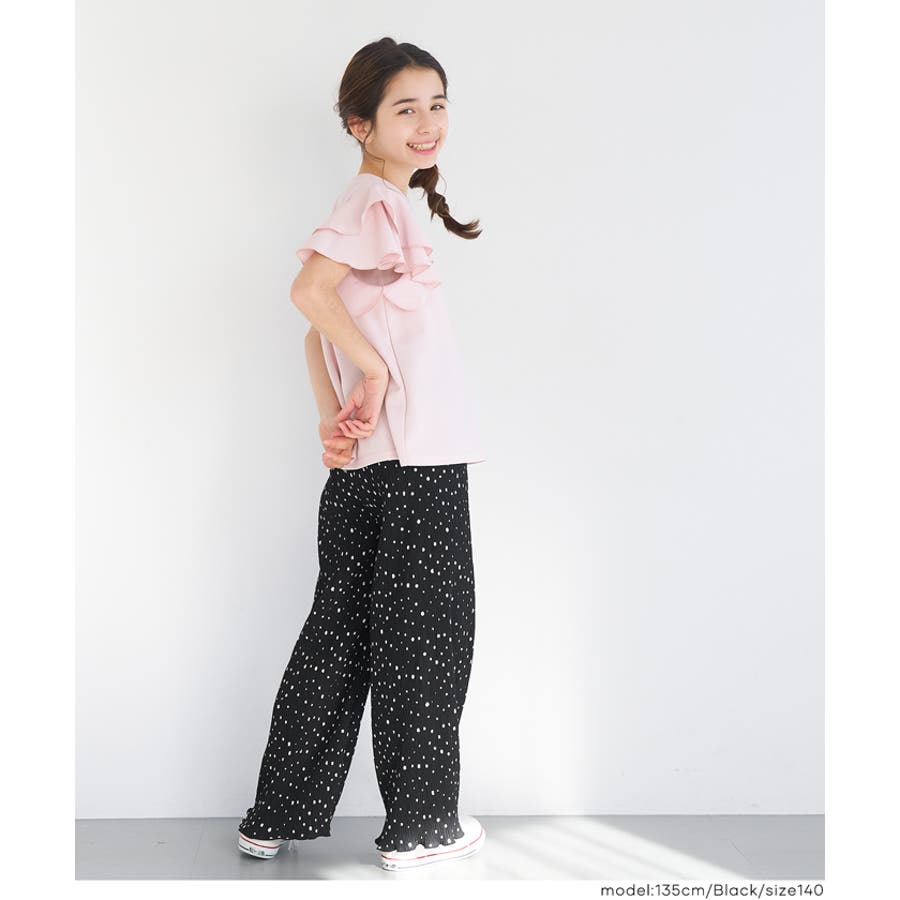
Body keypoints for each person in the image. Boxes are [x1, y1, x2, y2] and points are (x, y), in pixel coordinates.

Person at [236, 37, 487, 872]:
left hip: (368, 470)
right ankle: (422, 827)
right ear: (360, 124)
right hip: (419, 466)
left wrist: (332, 420)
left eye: (437, 104)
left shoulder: (376, 205)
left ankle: (273, 816)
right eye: (404, 109)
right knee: (427, 642)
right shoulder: (378, 203)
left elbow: (316, 328)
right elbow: (308, 294)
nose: (427, 123)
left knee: (339, 638)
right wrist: (373, 374)